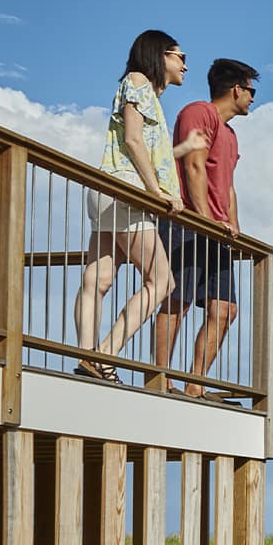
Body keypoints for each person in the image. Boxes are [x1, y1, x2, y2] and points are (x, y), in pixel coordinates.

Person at [73, 30, 208, 383]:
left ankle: (87, 354)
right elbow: (133, 139)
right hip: (129, 193)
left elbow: (144, 150)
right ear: (159, 55)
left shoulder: (142, 92)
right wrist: (157, 193)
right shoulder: (137, 82)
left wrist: (181, 149)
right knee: (161, 282)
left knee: (98, 278)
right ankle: (104, 353)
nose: (185, 66)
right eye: (181, 57)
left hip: (109, 189)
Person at [154, 58, 259, 402]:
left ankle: (195, 385)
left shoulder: (230, 134)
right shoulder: (199, 112)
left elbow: (227, 185)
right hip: (188, 222)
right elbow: (193, 165)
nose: (253, 98)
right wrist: (203, 220)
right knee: (178, 300)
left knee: (225, 309)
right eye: (251, 90)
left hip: (216, 232)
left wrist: (235, 228)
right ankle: (161, 378)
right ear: (236, 89)